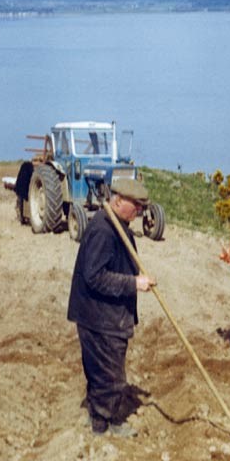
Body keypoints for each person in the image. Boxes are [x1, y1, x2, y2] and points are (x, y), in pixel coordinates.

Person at [67, 179, 156, 436]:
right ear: (118, 200)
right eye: (136, 206)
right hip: (100, 317)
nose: (138, 211)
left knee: (98, 370)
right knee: (111, 375)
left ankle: (97, 413)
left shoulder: (117, 224)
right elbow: (94, 277)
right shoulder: (103, 231)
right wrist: (133, 283)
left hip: (101, 313)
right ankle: (106, 423)